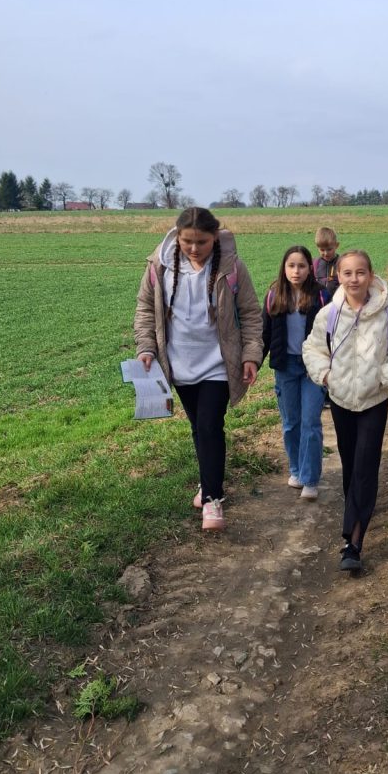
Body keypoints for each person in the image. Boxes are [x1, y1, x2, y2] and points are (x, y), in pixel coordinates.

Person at [134, 207, 263, 531]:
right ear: (177, 236)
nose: (194, 248)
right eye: (187, 241)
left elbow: (250, 313)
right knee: (198, 427)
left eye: (202, 242)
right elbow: (145, 309)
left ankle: (212, 499)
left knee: (209, 426)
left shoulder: (232, 268)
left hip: (218, 364)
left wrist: (251, 355)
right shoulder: (159, 267)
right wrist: (146, 348)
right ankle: (208, 481)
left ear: (215, 237)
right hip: (178, 365)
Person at [303, 250, 388, 571]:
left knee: (366, 465)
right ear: (338, 276)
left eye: (360, 272)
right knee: (350, 463)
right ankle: (357, 508)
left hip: (373, 402)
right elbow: (312, 349)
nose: (354, 279)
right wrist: (327, 376)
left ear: (371, 275)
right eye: (347, 273)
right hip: (341, 401)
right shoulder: (328, 315)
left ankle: (353, 542)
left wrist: (383, 378)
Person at [262, 246, 327, 501]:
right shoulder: (274, 295)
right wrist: (252, 364)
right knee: (291, 423)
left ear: (310, 268)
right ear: (284, 268)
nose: (296, 271)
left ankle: (310, 479)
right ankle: (297, 470)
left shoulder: (321, 296)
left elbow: (332, 333)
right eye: (291, 266)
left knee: (310, 421)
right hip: (285, 366)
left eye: (301, 266)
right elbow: (265, 334)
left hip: (313, 367)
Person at [313, 227, 340, 294]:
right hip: (319, 299)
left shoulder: (342, 263)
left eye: (329, 249)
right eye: (322, 250)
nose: (326, 253)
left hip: (336, 299)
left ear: (336, 245)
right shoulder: (314, 263)